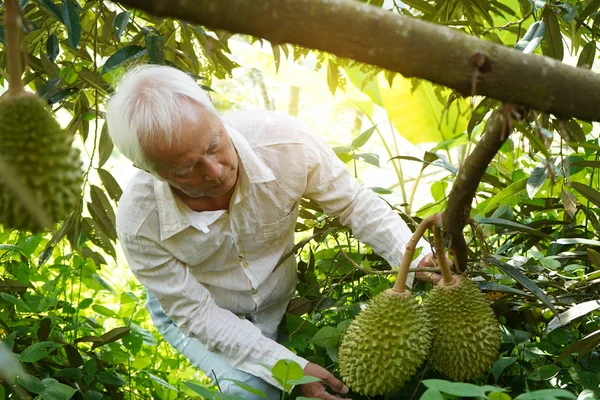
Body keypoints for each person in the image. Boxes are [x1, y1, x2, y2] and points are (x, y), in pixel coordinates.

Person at [106, 64, 439, 400]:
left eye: (213, 147)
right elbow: (196, 313)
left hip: (276, 297)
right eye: (187, 169)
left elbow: (352, 204)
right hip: (199, 309)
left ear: (212, 110)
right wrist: (289, 369)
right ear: (147, 169)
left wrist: (416, 256)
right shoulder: (140, 223)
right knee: (254, 393)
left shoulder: (285, 143)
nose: (215, 171)